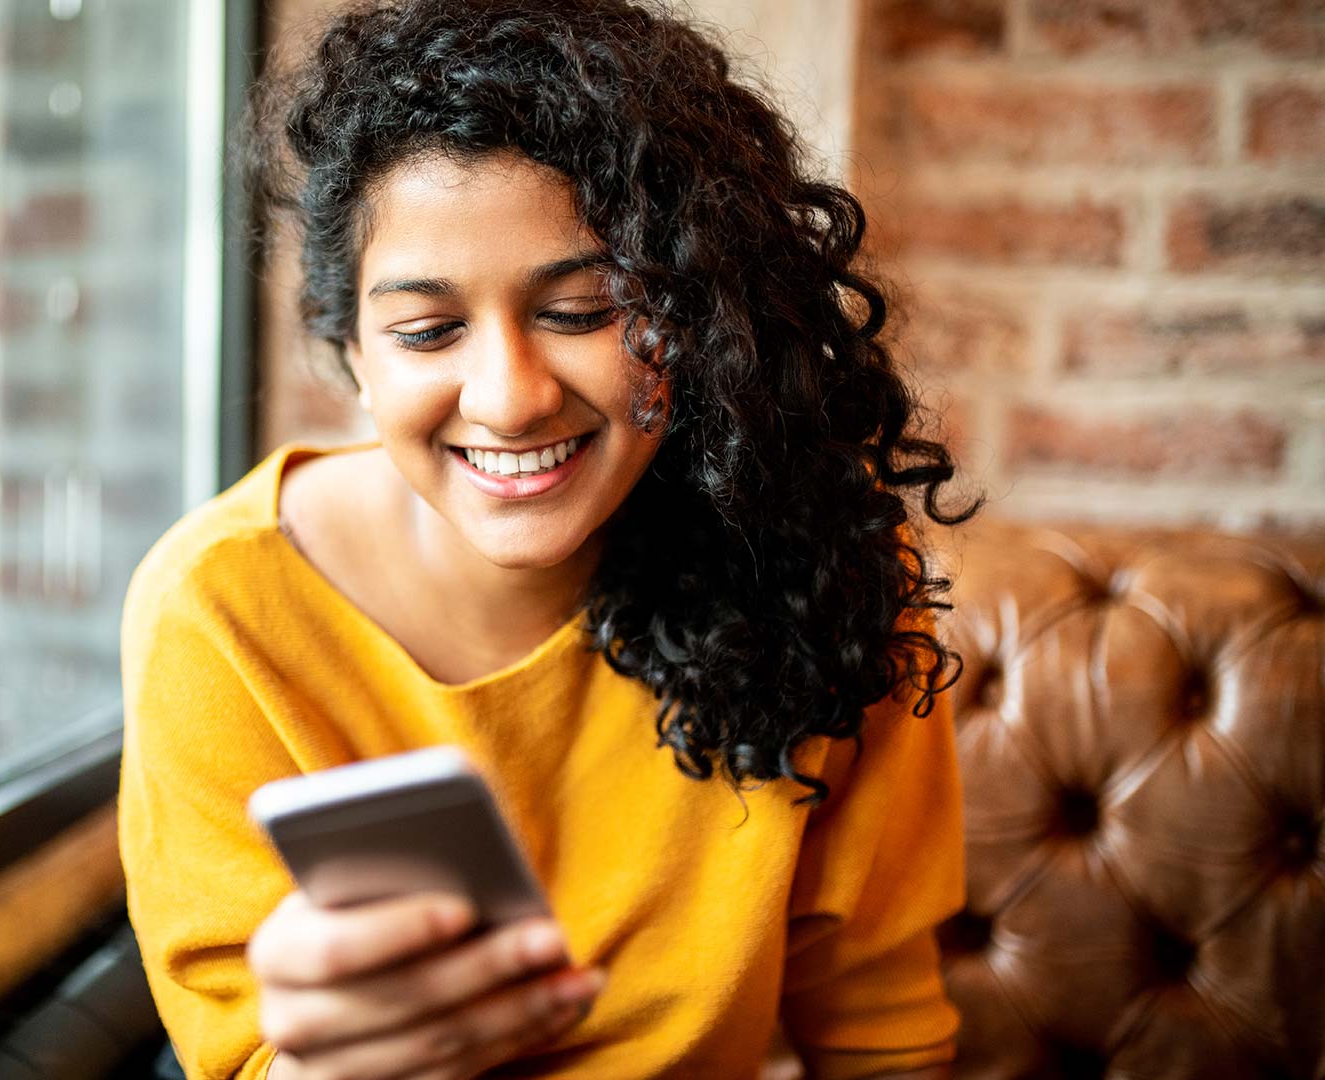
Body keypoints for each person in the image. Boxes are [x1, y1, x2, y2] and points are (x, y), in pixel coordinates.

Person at [117, 0, 980, 1076]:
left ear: (701, 313)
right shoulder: (222, 609)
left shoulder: (820, 565)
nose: (511, 400)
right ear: (353, 352)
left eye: (583, 310)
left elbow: (882, 1033)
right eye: (428, 331)